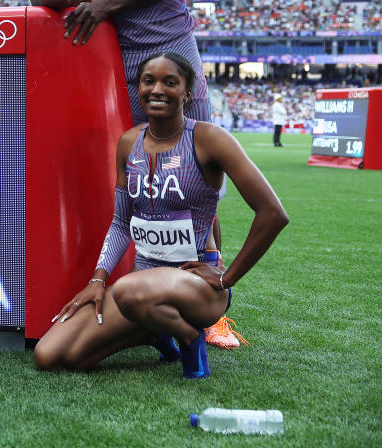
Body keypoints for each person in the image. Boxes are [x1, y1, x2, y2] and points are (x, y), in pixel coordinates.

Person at [28, 0, 235, 341]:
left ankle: (212, 306)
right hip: (114, 70)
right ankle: (151, 295)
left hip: (171, 52)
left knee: (194, 179)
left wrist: (107, 4)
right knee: (145, 181)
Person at [33, 52, 288, 379]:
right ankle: (154, 331)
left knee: (127, 290)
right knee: (51, 355)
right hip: (142, 288)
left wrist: (226, 278)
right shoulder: (129, 143)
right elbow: (121, 223)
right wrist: (97, 279)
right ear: (138, 87)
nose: (157, 89)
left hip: (196, 288)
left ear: (186, 92)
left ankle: (189, 337)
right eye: (148, 81)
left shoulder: (209, 139)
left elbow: (273, 213)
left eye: (170, 82)